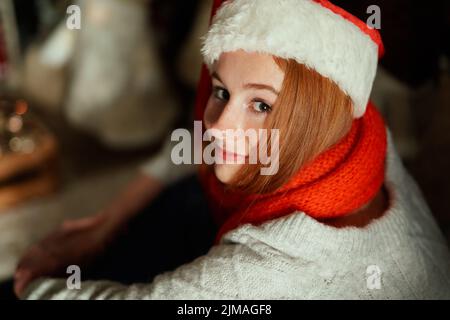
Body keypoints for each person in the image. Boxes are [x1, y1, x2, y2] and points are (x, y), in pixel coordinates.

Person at [17, 0, 450, 299]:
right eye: (222, 91)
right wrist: (106, 222)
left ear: (311, 114)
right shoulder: (360, 137)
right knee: (187, 190)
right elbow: (191, 147)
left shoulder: (270, 271)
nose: (222, 126)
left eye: (261, 104)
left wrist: (31, 286)